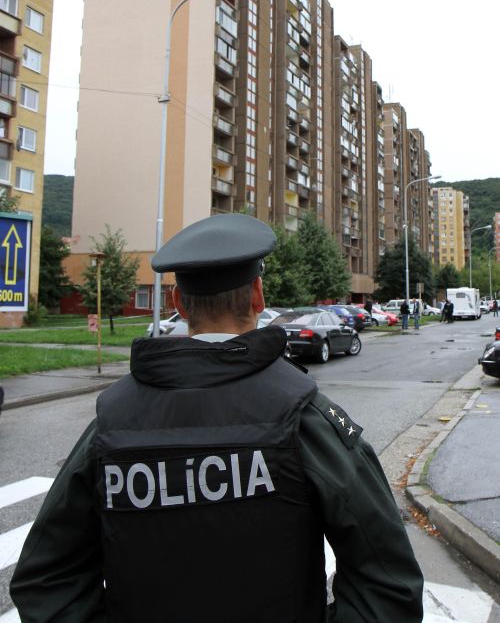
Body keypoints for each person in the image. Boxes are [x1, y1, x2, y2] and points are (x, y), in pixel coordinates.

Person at [10, 213, 423, 623]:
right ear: (258, 296)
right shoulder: (302, 414)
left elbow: (45, 581)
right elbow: (388, 584)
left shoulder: (113, 420)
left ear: (178, 303)